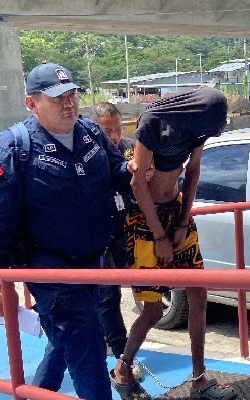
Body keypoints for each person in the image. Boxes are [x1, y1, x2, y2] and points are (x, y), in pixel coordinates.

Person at [0, 63, 133, 400]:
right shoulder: (13, 148)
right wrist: (2, 285)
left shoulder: (90, 132)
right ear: (31, 103)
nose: (69, 104)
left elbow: (117, 170)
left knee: (65, 342)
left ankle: (36, 394)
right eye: (57, 97)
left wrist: (137, 171)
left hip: (93, 262)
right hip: (50, 269)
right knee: (88, 346)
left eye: (72, 95)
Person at [109, 88, 236, 400]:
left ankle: (198, 379)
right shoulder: (152, 122)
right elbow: (138, 184)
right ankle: (123, 370)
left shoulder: (197, 127)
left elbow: (192, 171)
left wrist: (182, 221)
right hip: (144, 222)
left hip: (177, 214)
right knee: (152, 309)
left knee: (199, 296)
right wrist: (160, 237)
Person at [90, 102, 135, 359]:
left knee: (135, 281)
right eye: (107, 132)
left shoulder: (129, 149)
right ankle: (120, 351)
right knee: (108, 294)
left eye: (118, 129)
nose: (115, 137)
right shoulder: (86, 155)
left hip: (125, 227)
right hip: (98, 234)